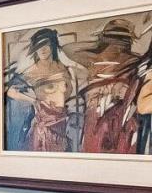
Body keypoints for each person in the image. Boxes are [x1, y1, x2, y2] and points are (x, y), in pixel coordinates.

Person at [63, 17, 147, 154]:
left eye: (121, 42)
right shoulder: (92, 60)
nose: (117, 47)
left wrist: (126, 92)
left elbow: (137, 92)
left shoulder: (133, 63)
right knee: (93, 146)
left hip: (120, 116)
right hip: (93, 114)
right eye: (114, 41)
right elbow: (69, 50)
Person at [5, 27, 74, 151]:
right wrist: (33, 100)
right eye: (38, 46)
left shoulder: (62, 67)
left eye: (46, 45)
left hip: (62, 122)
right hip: (45, 125)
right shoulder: (32, 71)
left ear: (52, 45)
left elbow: (68, 90)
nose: (42, 49)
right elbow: (10, 91)